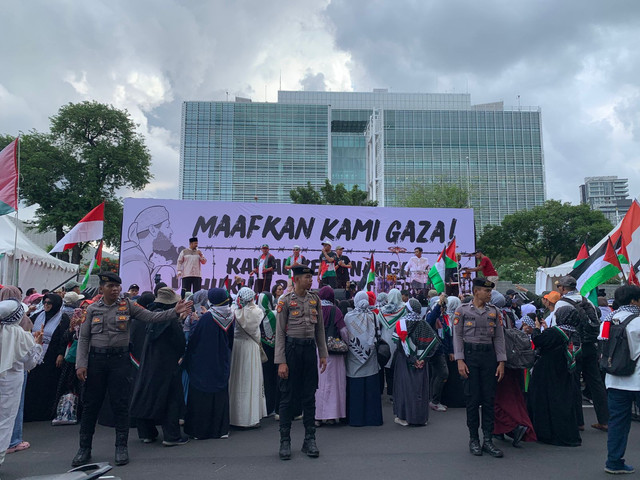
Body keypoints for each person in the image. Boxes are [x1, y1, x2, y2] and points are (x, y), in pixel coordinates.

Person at [72, 272, 192, 467]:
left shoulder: (128, 306)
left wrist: (174, 312)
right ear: (102, 288)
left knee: (121, 405)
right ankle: (84, 449)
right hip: (96, 362)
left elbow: (152, 317)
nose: (115, 289)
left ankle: (121, 448)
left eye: (117, 286)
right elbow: (84, 338)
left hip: (119, 361)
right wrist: (81, 363)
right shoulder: (92, 309)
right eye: (110, 286)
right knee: (90, 407)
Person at [275, 265, 328, 460]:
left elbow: (320, 329)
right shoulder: (286, 301)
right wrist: (281, 361)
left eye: (310, 277)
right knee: (287, 396)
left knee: (309, 395)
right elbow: (280, 333)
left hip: (308, 351)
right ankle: (285, 441)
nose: (310, 280)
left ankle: (309, 440)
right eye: (307, 277)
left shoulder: (315, 299)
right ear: (296, 279)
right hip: (291, 351)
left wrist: (322, 353)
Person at [453, 278, 506, 458]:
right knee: (473, 399)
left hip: (489, 357)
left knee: (489, 400)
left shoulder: (494, 311)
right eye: (486, 291)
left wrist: (501, 362)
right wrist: (460, 360)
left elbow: (499, 337)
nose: (489, 294)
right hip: (470, 356)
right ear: (476, 291)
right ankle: (474, 439)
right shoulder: (462, 310)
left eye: (490, 291)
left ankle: (488, 440)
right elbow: (457, 336)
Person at [130, 287, 188, 446]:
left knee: (145, 394)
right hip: (167, 363)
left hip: (146, 362)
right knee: (170, 399)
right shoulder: (169, 319)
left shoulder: (144, 315)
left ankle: (146, 433)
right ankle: (172, 436)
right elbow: (180, 343)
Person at [554, 275, 609, 432]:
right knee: (596, 382)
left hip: (574, 346)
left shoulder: (562, 303)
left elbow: (558, 325)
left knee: (574, 382)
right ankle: (604, 420)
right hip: (591, 345)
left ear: (563, 289)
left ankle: (578, 422)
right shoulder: (587, 301)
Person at [527, 306, 582, 447]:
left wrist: (537, 328)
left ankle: (546, 432)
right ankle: (567, 432)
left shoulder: (555, 332)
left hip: (547, 371)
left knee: (545, 400)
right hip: (564, 371)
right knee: (562, 401)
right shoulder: (574, 333)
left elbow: (538, 341)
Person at [184, 288, 234, 440]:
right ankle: (220, 429)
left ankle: (201, 430)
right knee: (220, 394)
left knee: (202, 395)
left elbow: (195, 339)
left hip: (204, 361)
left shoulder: (207, 318)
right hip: (221, 359)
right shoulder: (231, 316)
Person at [600, 285, 640, 474]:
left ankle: (614, 462)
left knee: (617, 423)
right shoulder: (638, 321)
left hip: (614, 379)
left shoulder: (608, 321)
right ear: (633, 301)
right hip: (638, 379)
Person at [0, 299, 44, 467]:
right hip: (12, 383)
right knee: (6, 419)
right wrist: (38, 345)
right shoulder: (21, 335)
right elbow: (30, 364)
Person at [24, 293, 71, 422]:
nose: (46, 305)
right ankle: (30, 412)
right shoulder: (38, 315)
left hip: (51, 356)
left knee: (47, 384)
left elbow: (64, 337)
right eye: (44, 303)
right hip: (35, 354)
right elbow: (26, 327)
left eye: (49, 303)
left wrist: (61, 354)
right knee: (33, 384)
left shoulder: (63, 318)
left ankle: (44, 413)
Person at [393, 298, 438, 426]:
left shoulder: (401, 324)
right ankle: (420, 418)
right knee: (420, 389)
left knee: (404, 388)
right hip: (422, 363)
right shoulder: (424, 324)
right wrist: (423, 359)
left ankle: (404, 417)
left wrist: (412, 359)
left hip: (405, 362)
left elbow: (399, 345)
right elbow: (433, 344)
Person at [229, 287, 267, 427]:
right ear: (252, 298)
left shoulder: (233, 310)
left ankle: (234, 416)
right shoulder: (257, 312)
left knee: (236, 379)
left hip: (237, 345)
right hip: (251, 347)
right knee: (250, 379)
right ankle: (249, 417)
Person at [344, 291, 383, 428]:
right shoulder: (373, 315)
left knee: (356, 389)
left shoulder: (348, 317)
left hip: (353, 356)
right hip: (371, 357)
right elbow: (378, 334)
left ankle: (356, 419)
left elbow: (345, 336)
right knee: (370, 389)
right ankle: (373, 419)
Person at [315, 286, 348, 425]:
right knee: (334, 383)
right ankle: (331, 415)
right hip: (334, 351)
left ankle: (317, 415)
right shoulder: (336, 310)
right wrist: (345, 344)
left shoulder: (315, 309)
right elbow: (344, 331)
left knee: (318, 383)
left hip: (317, 350)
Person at [426, 293, 452, 412]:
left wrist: (450, 351)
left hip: (442, 349)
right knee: (443, 373)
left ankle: (433, 399)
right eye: (442, 306)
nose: (443, 308)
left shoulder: (443, 317)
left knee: (437, 374)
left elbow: (447, 335)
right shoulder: (431, 317)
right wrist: (438, 304)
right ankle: (435, 401)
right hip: (435, 350)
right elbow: (431, 318)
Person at [379, 289, 406, 397]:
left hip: (386, 339)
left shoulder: (382, 310)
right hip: (399, 339)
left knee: (387, 365)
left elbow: (378, 324)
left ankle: (390, 392)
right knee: (399, 366)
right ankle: (398, 391)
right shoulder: (404, 309)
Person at [258, 292, 279, 417]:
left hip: (261, 350)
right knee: (273, 379)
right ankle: (273, 405)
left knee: (264, 379)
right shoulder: (274, 314)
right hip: (274, 350)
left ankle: (265, 407)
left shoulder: (256, 314)